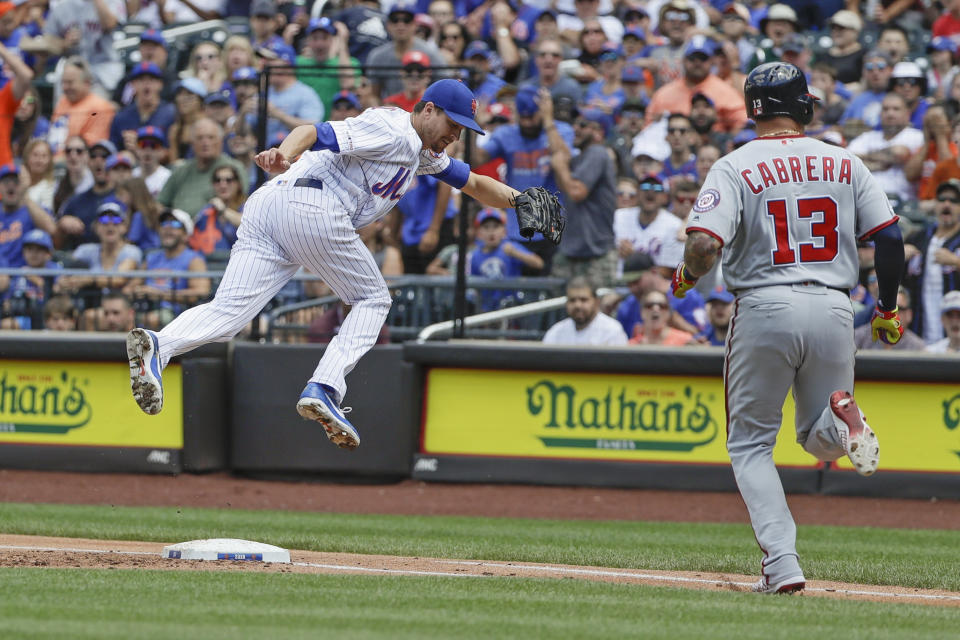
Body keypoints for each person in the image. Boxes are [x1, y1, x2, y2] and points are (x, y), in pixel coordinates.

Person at [125, 79, 544, 453]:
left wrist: (519, 199)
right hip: (310, 202)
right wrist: (283, 154)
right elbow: (314, 131)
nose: (455, 135)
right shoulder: (393, 127)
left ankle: (161, 346)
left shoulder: (421, 152)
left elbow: (471, 183)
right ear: (428, 109)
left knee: (229, 313)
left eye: (462, 130)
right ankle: (324, 387)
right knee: (374, 300)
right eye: (451, 123)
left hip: (273, 210)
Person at [671, 62, 905, 595]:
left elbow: (705, 245)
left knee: (751, 444)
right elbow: (889, 241)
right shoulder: (844, 162)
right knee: (819, 442)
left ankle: (782, 562)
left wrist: (687, 274)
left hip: (765, 305)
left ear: (753, 109)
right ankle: (846, 418)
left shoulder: (735, 165)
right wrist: (886, 310)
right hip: (833, 306)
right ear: (803, 106)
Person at [549, 109, 618, 287]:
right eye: (575, 124)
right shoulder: (581, 157)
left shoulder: (598, 153)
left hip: (596, 255)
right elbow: (561, 155)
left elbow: (576, 192)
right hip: (571, 252)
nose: (576, 128)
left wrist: (559, 166)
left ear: (599, 132)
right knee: (560, 312)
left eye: (583, 125)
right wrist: (548, 119)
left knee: (597, 312)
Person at [123, 208, 210, 329]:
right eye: (164, 224)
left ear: (186, 234)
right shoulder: (152, 258)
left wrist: (160, 294)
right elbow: (129, 287)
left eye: (175, 224)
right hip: (146, 308)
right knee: (115, 317)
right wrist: (137, 291)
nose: (167, 228)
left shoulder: (194, 260)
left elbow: (201, 292)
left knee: (151, 319)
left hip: (177, 313)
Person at [903, 179, 960, 343]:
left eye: (954, 200)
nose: (946, 204)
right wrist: (899, 257)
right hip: (919, 328)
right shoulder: (917, 237)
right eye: (942, 199)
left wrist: (956, 262)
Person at [157, 118, 248, 217]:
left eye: (211, 137)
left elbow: (243, 203)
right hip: (178, 228)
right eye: (200, 138)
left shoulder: (234, 168)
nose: (205, 143)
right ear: (192, 143)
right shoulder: (181, 170)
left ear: (221, 141)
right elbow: (160, 203)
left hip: (218, 227)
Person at [468, 207, 544, 311]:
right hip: (486, 307)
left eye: (495, 226)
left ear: (503, 230)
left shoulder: (510, 247)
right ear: (479, 232)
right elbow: (474, 283)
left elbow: (539, 263)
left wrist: (516, 253)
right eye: (486, 227)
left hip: (510, 305)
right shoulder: (476, 255)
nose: (491, 232)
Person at [57, 139, 118, 249]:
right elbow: (57, 241)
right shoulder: (76, 201)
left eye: (105, 156)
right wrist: (62, 223)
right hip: (81, 260)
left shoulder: (124, 197)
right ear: (88, 162)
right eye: (93, 156)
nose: (98, 160)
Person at [542, 276, 627, 346]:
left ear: (596, 302)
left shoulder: (612, 331)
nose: (577, 305)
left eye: (583, 300)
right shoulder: (556, 332)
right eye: (572, 300)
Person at [0, 163, 55, 266]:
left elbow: (51, 229)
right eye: (6, 181)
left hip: (25, 276)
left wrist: (25, 194)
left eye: (17, 181)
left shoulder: (33, 209)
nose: (11, 185)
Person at [854, 287, 925, 351]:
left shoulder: (918, 347)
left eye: (898, 309)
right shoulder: (857, 338)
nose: (891, 315)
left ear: (909, 315)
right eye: (885, 308)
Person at [627, 288, 693, 345]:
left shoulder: (685, 341)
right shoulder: (633, 346)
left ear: (668, 313)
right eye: (649, 305)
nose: (655, 309)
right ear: (641, 312)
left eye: (662, 306)